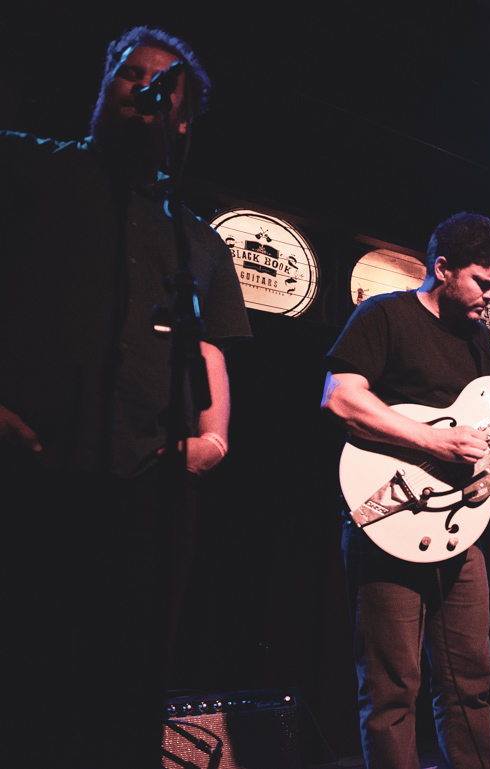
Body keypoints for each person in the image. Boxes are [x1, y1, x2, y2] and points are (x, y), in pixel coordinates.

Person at [0, 27, 250, 768]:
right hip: (30, 469)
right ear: (103, 88)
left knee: (131, 680)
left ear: (183, 121)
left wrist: (214, 438)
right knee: (27, 673)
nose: (143, 86)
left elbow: (210, 346)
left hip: (150, 482)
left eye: (163, 83)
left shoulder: (196, 237)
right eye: (127, 73)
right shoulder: (24, 170)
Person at [322, 212, 490, 769]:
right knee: (391, 690)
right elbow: (341, 399)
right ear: (442, 267)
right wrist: (432, 442)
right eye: (483, 281)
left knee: (470, 683)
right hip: (390, 515)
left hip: (459, 526)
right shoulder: (384, 315)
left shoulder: (476, 340)